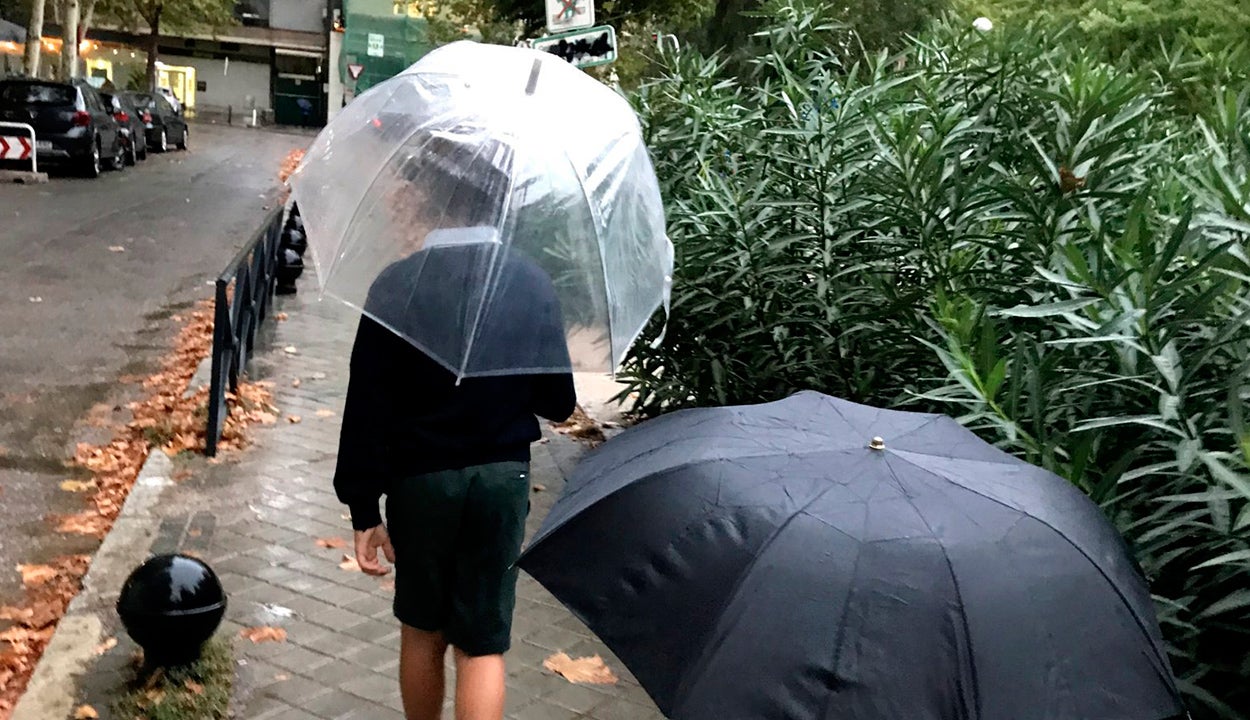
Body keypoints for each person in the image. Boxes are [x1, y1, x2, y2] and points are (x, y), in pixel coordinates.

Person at [333, 131, 577, 720]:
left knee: (422, 629)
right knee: (483, 642)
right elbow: (559, 401)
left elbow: (366, 406)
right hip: (501, 480)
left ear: (431, 199)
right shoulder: (531, 283)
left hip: (420, 481)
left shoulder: (395, 285)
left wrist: (363, 508)